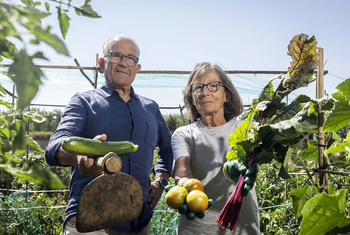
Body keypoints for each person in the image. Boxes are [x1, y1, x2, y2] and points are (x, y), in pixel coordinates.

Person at [45, 35, 173, 235]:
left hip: (140, 221)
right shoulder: (83, 102)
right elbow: (56, 146)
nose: (123, 63)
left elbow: (168, 149)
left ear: (137, 68)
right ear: (102, 63)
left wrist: (161, 180)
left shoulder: (151, 108)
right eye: (116, 56)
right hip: (91, 220)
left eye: (131, 58)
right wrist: (79, 157)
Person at [171, 62, 260, 234]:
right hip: (196, 228)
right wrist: (184, 186)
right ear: (191, 97)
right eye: (198, 87)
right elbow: (182, 172)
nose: (205, 92)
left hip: (242, 227)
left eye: (213, 86)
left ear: (226, 94)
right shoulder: (183, 134)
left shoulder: (247, 129)